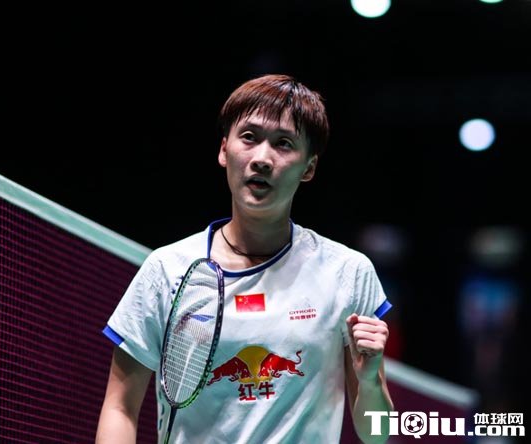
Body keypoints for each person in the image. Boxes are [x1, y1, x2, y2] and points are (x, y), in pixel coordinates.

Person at [96, 74, 394, 443]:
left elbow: (378, 435)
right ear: (224, 150)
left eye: (283, 144)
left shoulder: (346, 272)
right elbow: (120, 407)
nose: (262, 159)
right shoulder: (167, 270)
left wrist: (370, 381)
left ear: (309, 167)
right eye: (250, 137)